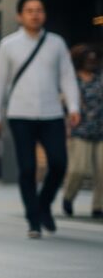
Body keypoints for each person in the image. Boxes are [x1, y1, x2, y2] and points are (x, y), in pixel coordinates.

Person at [0, 0, 79, 238]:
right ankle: (33, 219)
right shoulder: (8, 45)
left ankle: (44, 204)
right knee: (27, 168)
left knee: (59, 163)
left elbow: (67, 77)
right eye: (29, 10)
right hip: (20, 114)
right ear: (20, 16)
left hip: (51, 113)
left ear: (44, 14)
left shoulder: (56, 43)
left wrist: (74, 107)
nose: (35, 14)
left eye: (39, 10)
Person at [61, 45, 103, 219]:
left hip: (101, 130)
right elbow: (63, 104)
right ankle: (68, 197)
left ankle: (98, 207)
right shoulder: (70, 81)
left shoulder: (100, 78)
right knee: (79, 169)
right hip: (79, 131)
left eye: (94, 59)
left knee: (102, 171)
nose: (91, 62)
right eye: (88, 59)